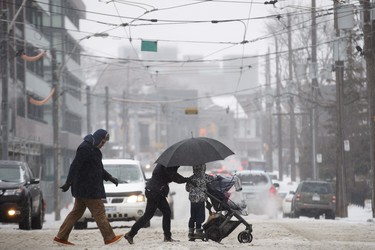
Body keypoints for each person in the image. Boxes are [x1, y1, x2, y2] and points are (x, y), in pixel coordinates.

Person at [53, 129, 123, 246]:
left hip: (84, 189)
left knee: (76, 213)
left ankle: (61, 237)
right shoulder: (85, 148)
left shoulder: (93, 149)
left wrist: (110, 178)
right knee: (99, 212)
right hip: (89, 188)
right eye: (102, 142)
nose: (103, 145)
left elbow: (98, 168)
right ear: (98, 139)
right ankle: (109, 237)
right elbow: (75, 166)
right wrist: (68, 182)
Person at [124, 163, 188, 244]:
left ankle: (131, 234)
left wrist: (185, 179)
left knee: (152, 214)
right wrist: (186, 180)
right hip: (155, 191)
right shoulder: (168, 165)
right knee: (163, 212)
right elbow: (173, 176)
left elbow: (172, 175)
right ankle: (167, 237)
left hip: (153, 190)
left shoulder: (165, 164)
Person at [185, 163, 214, 240]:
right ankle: (198, 232)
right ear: (203, 168)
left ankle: (191, 232)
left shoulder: (191, 178)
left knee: (193, 216)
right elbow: (212, 181)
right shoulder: (205, 177)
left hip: (193, 200)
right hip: (201, 199)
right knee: (200, 216)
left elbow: (187, 189)